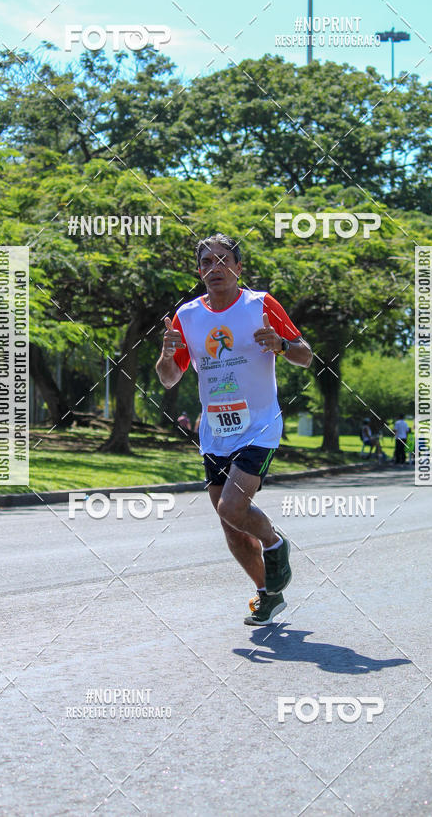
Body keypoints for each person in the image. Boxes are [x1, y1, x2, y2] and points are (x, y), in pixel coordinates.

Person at [156, 232, 312, 625]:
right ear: (199, 272)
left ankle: (274, 542)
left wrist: (280, 345)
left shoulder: (261, 305)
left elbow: (306, 356)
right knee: (231, 526)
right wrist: (165, 354)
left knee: (232, 507)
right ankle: (268, 593)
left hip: (259, 426)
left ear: (238, 267)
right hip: (215, 433)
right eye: (207, 262)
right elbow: (169, 378)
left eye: (223, 259)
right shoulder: (187, 316)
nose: (215, 267)